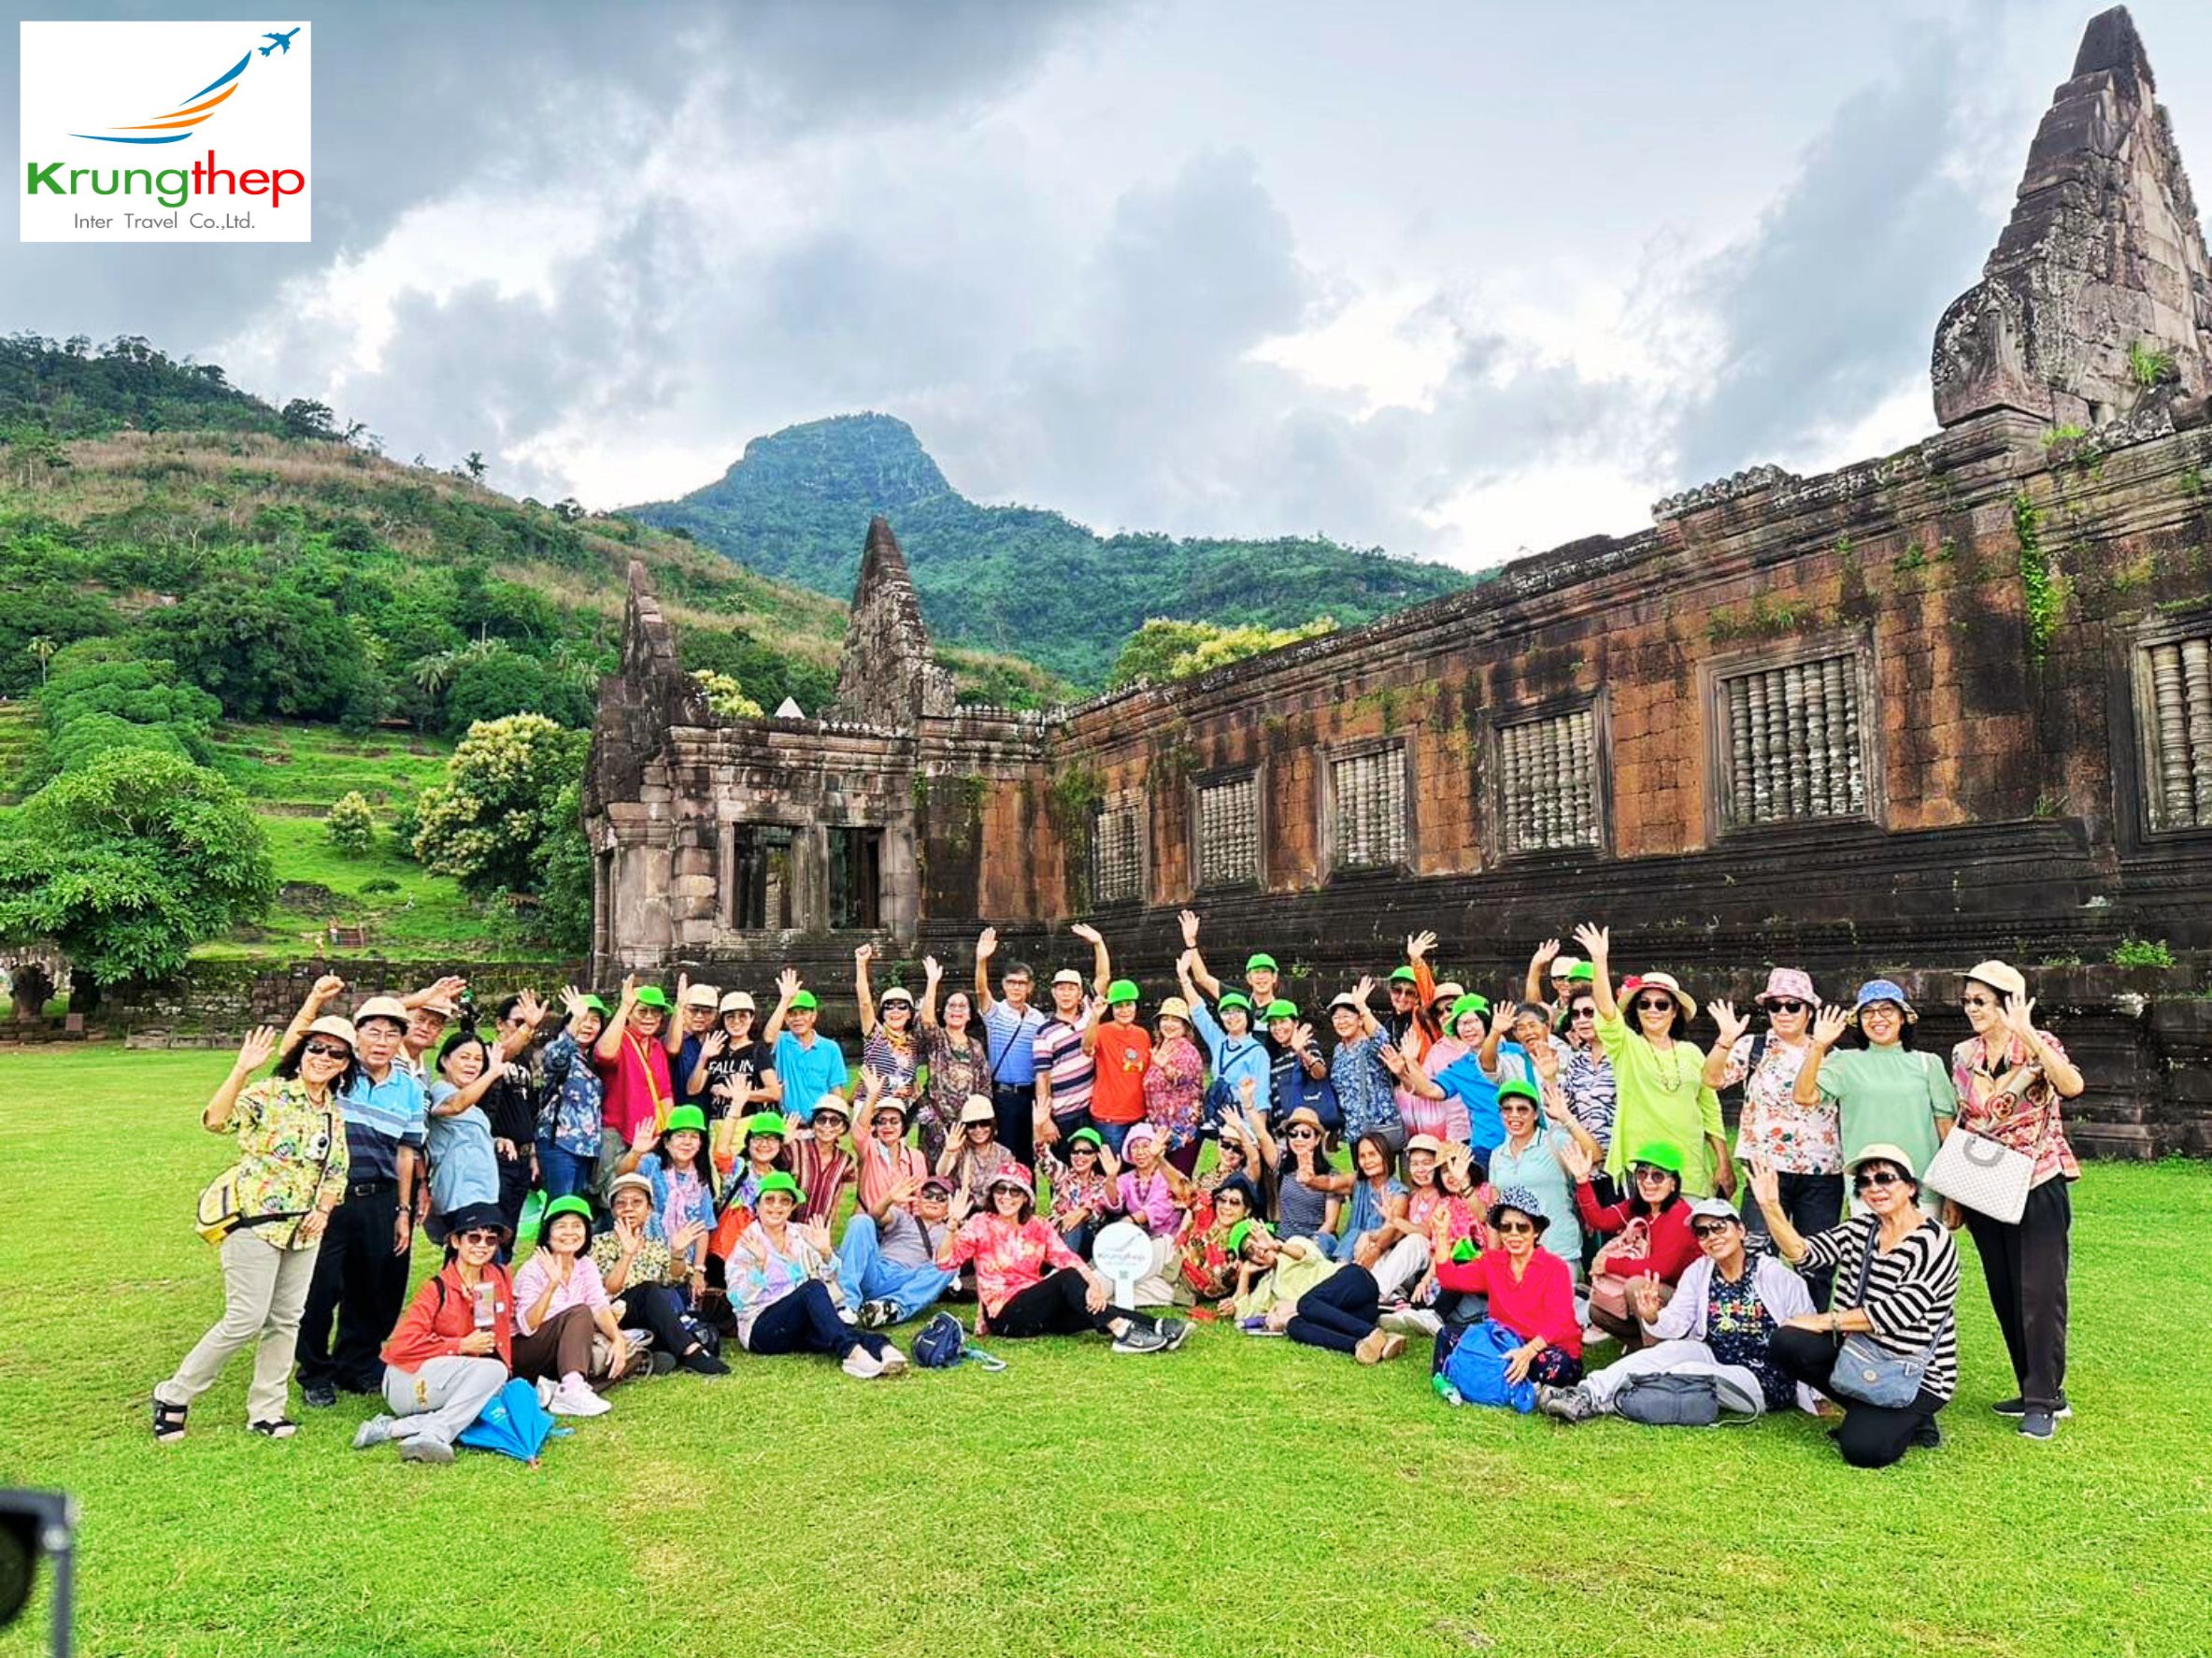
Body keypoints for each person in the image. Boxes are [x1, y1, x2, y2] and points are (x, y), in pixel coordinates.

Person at [154, 1022, 353, 1443]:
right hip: (255, 1225)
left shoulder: (333, 1113)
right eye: (316, 1048)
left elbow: (336, 1172)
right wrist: (242, 1069)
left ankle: (267, 1410)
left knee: (286, 1321)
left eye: (336, 1054)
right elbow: (216, 1121)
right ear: (300, 1052)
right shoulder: (269, 1094)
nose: (323, 1058)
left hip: (304, 1231)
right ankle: (174, 1395)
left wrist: (323, 1210)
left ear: (345, 1065)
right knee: (245, 1318)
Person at [1751, 1146, 1961, 1468]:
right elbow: (1804, 1253)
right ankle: (1875, 1411)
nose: (1874, 1188)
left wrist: (1824, 1321)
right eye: (1864, 1182)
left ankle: (1910, 1415)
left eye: (1885, 1178)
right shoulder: (1861, 1229)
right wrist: (1771, 1205)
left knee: (1864, 1450)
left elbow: (1898, 1312)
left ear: (1910, 1187)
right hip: (1859, 1357)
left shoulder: (1934, 1241)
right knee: (1786, 1341)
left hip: (1915, 1373)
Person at [1538, 1195, 1820, 1422]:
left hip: (1761, 1378)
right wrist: (1652, 1316)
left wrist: (1816, 1394)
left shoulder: (1775, 1276)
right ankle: (1585, 1393)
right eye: (1702, 1232)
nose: (1712, 1237)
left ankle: (1606, 1402)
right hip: (1714, 1354)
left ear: (1740, 1230)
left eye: (1719, 1227)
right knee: (1667, 1353)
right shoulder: (1700, 1272)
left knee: (1687, 1370)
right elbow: (1676, 1324)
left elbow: (1807, 1334)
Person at [279, 982, 428, 1411]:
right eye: (373, 1032)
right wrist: (313, 1002)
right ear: (356, 1035)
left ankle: (356, 1363)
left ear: (402, 1040)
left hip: (381, 1198)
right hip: (329, 1199)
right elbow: (291, 1055)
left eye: (391, 1034)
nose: (381, 1042)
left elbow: (406, 1152)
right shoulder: (336, 1072)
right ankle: (314, 1372)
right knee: (320, 1288)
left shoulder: (409, 1089)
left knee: (373, 1287)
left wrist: (403, 1208)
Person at [1951, 960, 2083, 1440]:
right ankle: (2032, 1386)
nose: (1971, 1010)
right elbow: (1967, 1118)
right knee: (2005, 1290)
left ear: (2008, 1002)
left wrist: (2026, 1033)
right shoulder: (1963, 1054)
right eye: (1967, 1001)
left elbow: (2070, 1086)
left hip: (2036, 1180)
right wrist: (1954, 1194)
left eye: (1980, 1001)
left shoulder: (2039, 1045)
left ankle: (2044, 1399)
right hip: (1985, 1182)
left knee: (2040, 1293)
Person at [935, 1165, 1184, 1351]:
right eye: (1001, 1189)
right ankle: (1123, 1332)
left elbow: (1067, 1257)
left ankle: (1156, 1326)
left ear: (1025, 1198)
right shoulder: (981, 1223)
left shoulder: (1038, 1226)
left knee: (1086, 1307)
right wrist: (952, 1225)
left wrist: (1094, 1286)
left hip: (1034, 1306)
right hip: (1004, 1315)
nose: (1007, 1197)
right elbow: (945, 1262)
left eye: (1015, 1191)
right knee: (1068, 1280)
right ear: (993, 1193)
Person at [1705, 968, 1839, 1307]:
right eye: (1775, 1006)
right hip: (1766, 1171)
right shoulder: (1755, 1046)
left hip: (1820, 1173)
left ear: (1809, 1011)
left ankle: (1815, 1337)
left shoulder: (1831, 1055)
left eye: (1792, 1006)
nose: (1783, 1013)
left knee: (1817, 1261)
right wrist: (1725, 1039)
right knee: (1756, 1256)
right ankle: (1757, 1336)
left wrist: (1820, 1047)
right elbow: (1711, 1079)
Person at [350, 1201, 514, 1465]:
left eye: (490, 1240)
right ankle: (436, 1433)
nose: (482, 1245)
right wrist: (459, 1345)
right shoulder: (436, 1288)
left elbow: (514, 1322)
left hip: (457, 1376)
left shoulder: (498, 1277)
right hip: (409, 1379)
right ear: (456, 1242)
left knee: (500, 1392)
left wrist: (551, 1286)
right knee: (494, 1375)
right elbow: (401, 1347)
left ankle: (391, 1429)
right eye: (474, 1237)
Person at [1572, 923, 1729, 1198]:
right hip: (1643, 1170)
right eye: (1645, 1004)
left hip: (1689, 1166)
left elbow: (1710, 1110)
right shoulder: (1626, 1045)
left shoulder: (1692, 1052)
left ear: (1674, 1011)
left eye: (1661, 1004)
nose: (1652, 1010)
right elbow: (1607, 1012)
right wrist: (1599, 959)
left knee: (1688, 1237)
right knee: (1644, 1239)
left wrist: (1723, 1162)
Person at [1795, 980, 1957, 1215]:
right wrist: (1819, 1046)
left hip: (1921, 1188)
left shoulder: (1927, 1063)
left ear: (1902, 1017)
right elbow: (1803, 1096)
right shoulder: (1844, 1062)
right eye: (1868, 1012)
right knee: (1871, 1251)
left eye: (1886, 1010)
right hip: (1868, 1189)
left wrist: (1951, 1193)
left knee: (1922, 1251)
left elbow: (1946, 1130)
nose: (1877, 1018)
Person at [723, 1173, 907, 1376]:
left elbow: (836, 1284)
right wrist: (759, 1266)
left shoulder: (802, 1234)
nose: (777, 1207)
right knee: (812, 1288)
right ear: (757, 1206)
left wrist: (827, 1254)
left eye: (784, 1201)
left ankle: (883, 1347)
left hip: (799, 1325)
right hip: (761, 1329)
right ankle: (852, 1354)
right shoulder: (747, 1242)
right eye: (769, 1200)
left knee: (832, 1327)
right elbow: (737, 1300)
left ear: (792, 1207)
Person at [1432, 1187, 1583, 1396]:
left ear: (1536, 1231)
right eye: (1506, 1227)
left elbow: (1558, 1321)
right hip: (1504, 1342)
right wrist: (1441, 1235)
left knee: (1560, 1366)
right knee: (1447, 1335)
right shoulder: (1493, 1262)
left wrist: (1528, 1352)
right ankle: (1469, 1381)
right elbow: (1450, 1278)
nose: (1513, 1234)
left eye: (1522, 1228)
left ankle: (1485, 1377)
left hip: (1546, 1346)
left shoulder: (1555, 1267)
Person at [1567, 1136, 1699, 1349]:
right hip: (1658, 1295)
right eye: (1642, 1173)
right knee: (1596, 1312)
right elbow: (1600, 1220)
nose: (1647, 1181)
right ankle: (1648, 1352)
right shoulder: (1642, 1206)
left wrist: (1608, 1264)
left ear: (1673, 1183)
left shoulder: (1679, 1214)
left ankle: (1654, 1359)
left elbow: (1659, 1270)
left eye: (1657, 1176)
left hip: (1684, 1302)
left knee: (1636, 1286)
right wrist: (1583, 1181)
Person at [593, 1172, 727, 1375]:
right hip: (615, 1316)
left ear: (649, 1210)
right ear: (612, 1211)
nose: (628, 1208)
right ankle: (691, 1351)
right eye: (621, 1203)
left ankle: (650, 1355)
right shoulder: (599, 1243)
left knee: (668, 1296)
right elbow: (609, 1288)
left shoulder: (655, 1247)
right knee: (648, 1291)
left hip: (652, 1318)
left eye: (637, 1202)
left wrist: (678, 1254)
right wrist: (627, 1255)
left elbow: (676, 1277)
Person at [509, 1196, 632, 1416]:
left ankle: (557, 1390)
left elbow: (599, 1305)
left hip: (565, 1352)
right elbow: (527, 1326)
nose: (569, 1232)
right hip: (528, 1349)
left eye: (577, 1226)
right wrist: (551, 1285)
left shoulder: (585, 1265)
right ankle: (572, 1389)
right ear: (547, 1233)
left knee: (630, 1351)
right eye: (561, 1226)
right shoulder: (533, 1269)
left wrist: (618, 1339)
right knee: (580, 1313)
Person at [1232, 1223, 1406, 1364]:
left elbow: (1306, 1255)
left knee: (1304, 1305)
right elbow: (1243, 1313)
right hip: (1350, 1316)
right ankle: (1362, 1345)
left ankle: (1371, 1333)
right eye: (1250, 1251)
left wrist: (1277, 1246)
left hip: (1355, 1283)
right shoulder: (1268, 1283)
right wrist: (1245, 1274)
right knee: (1294, 1326)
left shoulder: (1293, 1245)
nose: (1259, 1251)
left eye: (1258, 1242)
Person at [618, 1103, 719, 1304]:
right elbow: (622, 1174)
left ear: (701, 1144)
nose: (687, 1142)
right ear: (666, 1142)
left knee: (678, 1304)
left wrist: (699, 1270)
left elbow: (703, 1228)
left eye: (693, 1136)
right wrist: (636, 1152)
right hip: (647, 1259)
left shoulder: (701, 1181)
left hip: (682, 1264)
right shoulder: (651, 1165)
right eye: (680, 1136)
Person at [1487, 1079, 1584, 1277]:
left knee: (1560, 1308)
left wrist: (1566, 1118)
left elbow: (1595, 1155)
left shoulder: (1554, 1141)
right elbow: (1494, 1210)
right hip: (1518, 1257)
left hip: (1559, 1252)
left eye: (1522, 1109)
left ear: (1536, 1113)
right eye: (1507, 1109)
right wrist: (1493, 1260)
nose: (1514, 1115)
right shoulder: (1497, 1155)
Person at [839, 1172, 962, 1328]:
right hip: (876, 1271)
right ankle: (848, 1303)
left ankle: (890, 1308)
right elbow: (876, 1215)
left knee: (950, 1263)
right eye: (928, 1195)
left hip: (907, 1279)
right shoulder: (903, 1217)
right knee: (861, 1220)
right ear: (919, 1200)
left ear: (949, 1206)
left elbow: (942, 1262)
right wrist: (889, 1198)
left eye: (941, 1198)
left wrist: (952, 1226)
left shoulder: (951, 1232)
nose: (933, 1200)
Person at [592, 977, 676, 1196]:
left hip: (651, 1135)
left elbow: (665, 1093)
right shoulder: (621, 1038)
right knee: (612, 1195)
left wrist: (670, 1133)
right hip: (618, 1130)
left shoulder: (657, 1047)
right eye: (643, 1011)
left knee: (646, 1195)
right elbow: (604, 1054)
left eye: (655, 1012)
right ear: (630, 1014)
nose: (649, 1017)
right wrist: (625, 1005)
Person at [424, 1029, 509, 1245]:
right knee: (475, 1253)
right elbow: (455, 1105)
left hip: (483, 1193)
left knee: (477, 1257)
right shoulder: (440, 1090)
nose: (472, 1064)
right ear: (444, 1060)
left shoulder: (475, 1108)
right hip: (461, 1193)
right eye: (464, 1057)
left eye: (479, 1059)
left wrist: (497, 1141)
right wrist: (492, 1073)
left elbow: (467, 1136)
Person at [1177, 951, 1271, 1138]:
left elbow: (1261, 1098)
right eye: (1226, 1012)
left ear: (1247, 1016)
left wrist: (1258, 1135)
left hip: (1246, 1123)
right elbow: (1198, 1011)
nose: (1232, 1017)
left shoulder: (1258, 1052)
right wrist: (1184, 979)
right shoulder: (1219, 1041)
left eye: (1237, 1012)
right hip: (1222, 1121)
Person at [974, 926, 1047, 1166]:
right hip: (1004, 1095)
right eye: (1012, 982)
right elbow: (981, 991)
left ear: (1030, 987)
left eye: (1022, 983)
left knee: (1029, 1156)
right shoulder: (996, 1013)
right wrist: (981, 960)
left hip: (1030, 1095)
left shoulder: (1038, 1019)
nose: (1016, 987)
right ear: (1004, 985)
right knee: (1004, 1155)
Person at [1033, 923, 1109, 1149]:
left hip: (1091, 1108)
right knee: (1065, 1172)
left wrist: (1098, 942)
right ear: (1053, 993)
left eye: (1071, 988)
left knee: (1093, 1170)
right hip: (1063, 1113)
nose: (1066, 993)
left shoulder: (1089, 1011)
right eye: (1061, 988)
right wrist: (1045, 1119)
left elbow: (1103, 976)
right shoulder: (1044, 1032)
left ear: (1080, 994)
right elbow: (1042, 1078)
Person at [916, 953, 991, 1169]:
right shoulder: (938, 1039)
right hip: (936, 1122)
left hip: (968, 1124)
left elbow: (984, 1088)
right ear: (944, 1012)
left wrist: (980, 1121)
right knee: (935, 1178)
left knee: (965, 1175)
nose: (956, 1010)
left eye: (962, 1007)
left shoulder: (975, 1046)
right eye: (951, 1006)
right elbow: (928, 1022)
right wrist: (932, 982)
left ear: (970, 1015)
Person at [483, 991, 547, 1236]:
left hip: (520, 1158)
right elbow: (502, 1054)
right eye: (518, 1022)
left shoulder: (524, 1062)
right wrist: (527, 1027)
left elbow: (527, 1110)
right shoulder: (487, 1053)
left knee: (508, 1232)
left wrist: (531, 1154)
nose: (528, 1030)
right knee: (487, 1228)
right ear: (500, 1023)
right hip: (497, 1155)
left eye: (532, 1024)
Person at [535, 988, 608, 1201]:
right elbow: (555, 1058)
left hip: (586, 1147)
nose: (587, 1025)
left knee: (574, 1209)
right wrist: (574, 1023)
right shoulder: (559, 1049)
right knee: (560, 1206)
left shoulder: (594, 1059)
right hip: (559, 1142)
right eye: (581, 1019)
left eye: (594, 1020)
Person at [1326, 979, 1409, 1158]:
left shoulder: (1369, 1045)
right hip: (1354, 1131)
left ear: (1359, 1019)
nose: (1342, 1022)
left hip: (1380, 1129)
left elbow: (1382, 1040)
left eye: (1347, 1016)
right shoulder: (1338, 1051)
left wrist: (1363, 1007)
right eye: (1337, 1018)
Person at [1114, 1122, 1192, 1304]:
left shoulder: (1168, 1176)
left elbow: (1160, 1207)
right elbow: (1112, 1203)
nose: (1140, 1152)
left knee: (1127, 1275)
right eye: (1134, 1147)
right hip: (1137, 1242)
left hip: (1166, 1243)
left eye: (1145, 1146)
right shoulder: (1126, 1178)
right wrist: (1110, 1179)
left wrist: (1130, 1220)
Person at [763, 970, 851, 1117]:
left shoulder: (830, 1048)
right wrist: (785, 999)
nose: (797, 1019)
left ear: (814, 1015)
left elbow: (835, 1090)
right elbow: (768, 1038)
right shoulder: (782, 1041)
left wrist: (837, 1119)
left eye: (803, 1013)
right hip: (787, 1124)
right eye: (792, 1014)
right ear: (785, 1018)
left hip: (820, 1124)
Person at [692, 990, 780, 1130]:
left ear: (751, 1018)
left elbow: (774, 1092)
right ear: (723, 1020)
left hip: (750, 1126)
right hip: (718, 1125)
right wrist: (703, 1057)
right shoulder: (716, 1049)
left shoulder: (758, 1050)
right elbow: (693, 1089)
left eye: (743, 1016)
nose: (736, 1021)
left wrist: (735, 1095)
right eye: (730, 1017)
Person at [1260, 1105, 1344, 1251]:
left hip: (1315, 1243)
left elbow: (1330, 1224)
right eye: (1293, 1134)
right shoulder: (1283, 1167)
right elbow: (1262, 1135)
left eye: (1305, 1134)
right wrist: (1248, 1105)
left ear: (1317, 1139)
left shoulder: (1331, 1175)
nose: (1299, 1139)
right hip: (1284, 1240)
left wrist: (1305, 1249)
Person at [1090, 974, 1153, 1155]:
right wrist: (1095, 1017)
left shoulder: (1142, 1035)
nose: (1124, 1010)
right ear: (1112, 1009)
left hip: (1138, 1113)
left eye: (1128, 1005)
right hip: (1110, 1116)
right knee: (1114, 1169)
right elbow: (1087, 1047)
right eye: (1119, 1006)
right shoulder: (1102, 1031)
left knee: (1139, 1165)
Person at [1144, 994, 1206, 1177]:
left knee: (1177, 1184)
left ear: (1185, 1026)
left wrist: (1165, 1068)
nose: (1169, 1024)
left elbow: (1183, 1078)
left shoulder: (1187, 1050)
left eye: (1175, 1020)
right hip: (1160, 1132)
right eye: (1165, 1019)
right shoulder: (1160, 1048)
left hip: (1182, 1133)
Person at [852, 1073, 930, 1219]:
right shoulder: (868, 1150)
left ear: (903, 1126)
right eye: (882, 1121)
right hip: (870, 1221)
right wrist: (871, 1096)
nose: (888, 1126)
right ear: (874, 1126)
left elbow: (920, 1198)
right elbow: (859, 1131)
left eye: (894, 1121)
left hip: (901, 1226)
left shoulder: (915, 1157)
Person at [852, 944, 920, 1110]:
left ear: (910, 1013)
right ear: (882, 1013)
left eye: (901, 1006)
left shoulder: (914, 1042)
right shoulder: (875, 1035)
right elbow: (864, 1003)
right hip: (870, 1108)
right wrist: (861, 964)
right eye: (889, 1006)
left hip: (898, 1111)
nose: (895, 1011)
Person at [1037, 1124, 1121, 1255]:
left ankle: (1065, 1269)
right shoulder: (1063, 1175)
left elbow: (1112, 1205)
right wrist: (1039, 1127)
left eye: (1086, 1152)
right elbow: (1043, 1156)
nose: (1080, 1156)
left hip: (1087, 1239)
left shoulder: (1102, 1183)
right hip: (1055, 1235)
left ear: (1095, 1157)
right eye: (1075, 1151)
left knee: (1073, 1226)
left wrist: (1084, 1212)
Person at [1264, 1003, 1337, 1135]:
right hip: (1282, 1131)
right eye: (1273, 1023)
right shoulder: (1272, 1056)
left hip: (1307, 1130)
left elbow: (1320, 1073)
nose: (1278, 1028)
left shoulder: (1307, 1045)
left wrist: (1301, 1052)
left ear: (1295, 1023)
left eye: (1283, 1022)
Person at [785, 1093, 856, 1226]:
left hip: (818, 1231)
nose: (827, 1126)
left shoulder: (845, 1160)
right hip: (788, 1228)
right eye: (821, 1120)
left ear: (843, 1128)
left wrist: (828, 1226)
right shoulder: (795, 1147)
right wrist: (783, 1142)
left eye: (834, 1121)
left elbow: (835, 1198)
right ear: (813, 1124)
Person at [941, 1093, 1017, 1208]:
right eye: (972, 1125)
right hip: (964, 1210)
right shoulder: (961, 1149)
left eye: (984, 1123)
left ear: (992, 1125)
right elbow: (942, 1173)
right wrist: (948, 1152)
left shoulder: (1004, 1154)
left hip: (995, 1211)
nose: (978, 1130)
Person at [670, 979, 723, 1107]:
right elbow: (671, 1048)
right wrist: (679, 1006)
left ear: (715, 1014)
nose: (699, 1016)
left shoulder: (718, 1041)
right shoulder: (678, 1039)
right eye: (694, 1010)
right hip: (681, 1114)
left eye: (706, 1011)